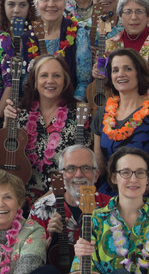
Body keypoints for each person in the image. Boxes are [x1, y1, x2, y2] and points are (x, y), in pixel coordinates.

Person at [8, 55, 92, 195]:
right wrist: (7, 120)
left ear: (65, 81)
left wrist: (55, 194)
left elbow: (85, 165)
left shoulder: (78, 115)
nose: (50, 81)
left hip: (63, 198)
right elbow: (7, 156)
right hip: (21, 198)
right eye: (44, 75)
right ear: (34, 81)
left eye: (57, 75)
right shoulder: (19, 114)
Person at [91, 48, 149, 195]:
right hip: (108, 195)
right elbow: (100, 165)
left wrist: (132, 197)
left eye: (127, 69)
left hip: (144, 195)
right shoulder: (101, 114)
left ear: (138, 73)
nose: (120, 74)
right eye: (115, 70)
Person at [29, 145, 111, 273]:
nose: (78, 174)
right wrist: (49, 239)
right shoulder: (41, 209)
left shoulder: (110, 207)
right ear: (61, 175)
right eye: (71, 168)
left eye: (86, 168)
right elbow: (30, 262)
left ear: (96, 175)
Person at [33, 0, 92, 96]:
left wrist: (70, 109)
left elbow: (84, 82)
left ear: (65, 1)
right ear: (36, 2)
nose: (51, 4)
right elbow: (24, 82)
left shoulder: (79, 34)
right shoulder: (28, 37)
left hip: (69, 106)